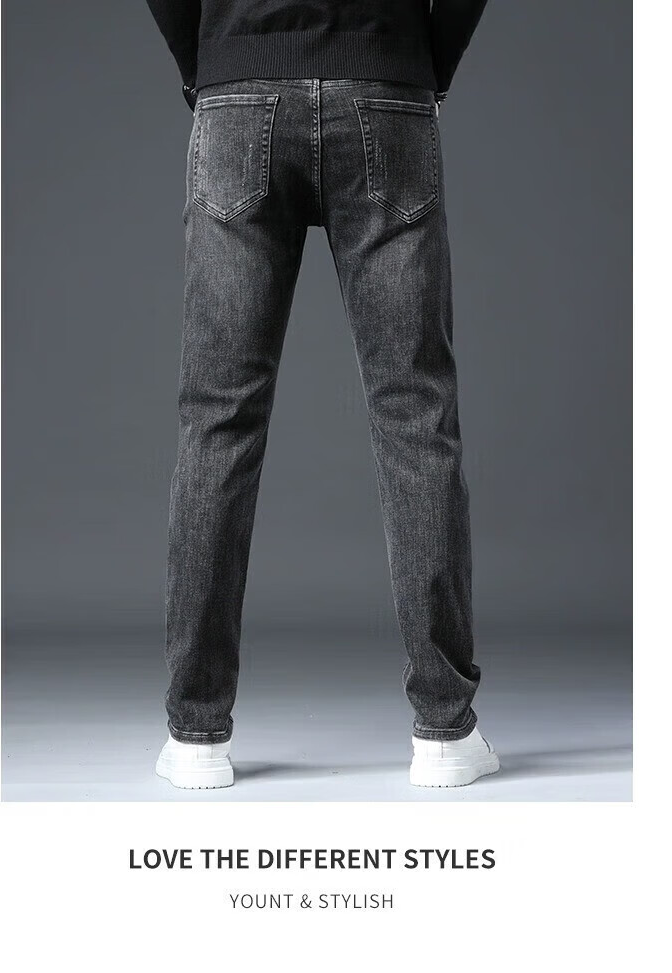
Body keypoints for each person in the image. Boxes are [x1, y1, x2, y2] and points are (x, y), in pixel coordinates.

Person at [146, 0, 499, 789]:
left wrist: (212, 62)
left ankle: (196, 734)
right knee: (417, 416)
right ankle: (446, 731)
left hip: (239, 93)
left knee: (218, 420)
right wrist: (423, 61)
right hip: (386, 88)